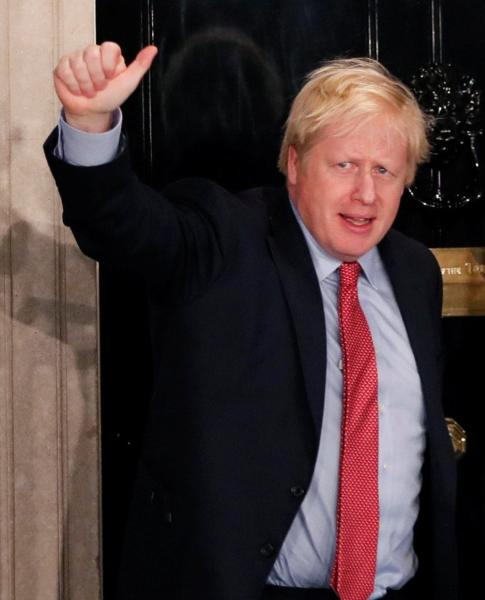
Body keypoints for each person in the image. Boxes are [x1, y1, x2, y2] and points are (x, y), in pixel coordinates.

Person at [45, 42, 456, 600]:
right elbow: (125, 227)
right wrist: (90, 125)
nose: (366, 193)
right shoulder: (226, 239)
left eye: (385, 170)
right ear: (293, 163)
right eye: (344, 165)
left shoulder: (414, 271)